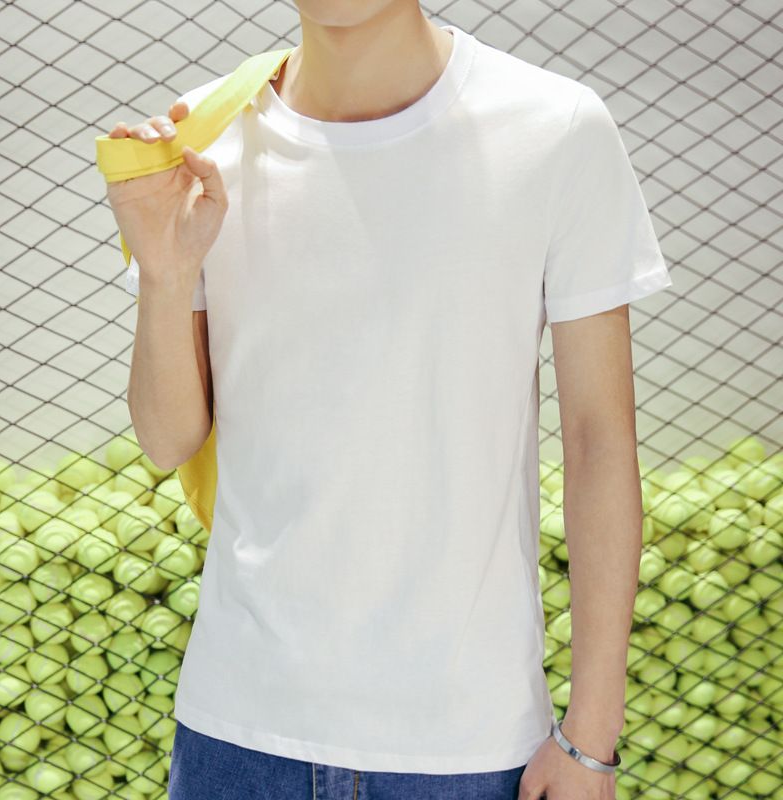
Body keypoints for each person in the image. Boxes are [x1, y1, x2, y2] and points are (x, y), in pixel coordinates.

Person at [106, 1, 672, 798]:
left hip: (465, 746)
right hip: (237, 732)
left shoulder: (555, 129)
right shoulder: (204, 135)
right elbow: (168, 439)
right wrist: (165, 275)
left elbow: (598, 441)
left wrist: (592, 739)